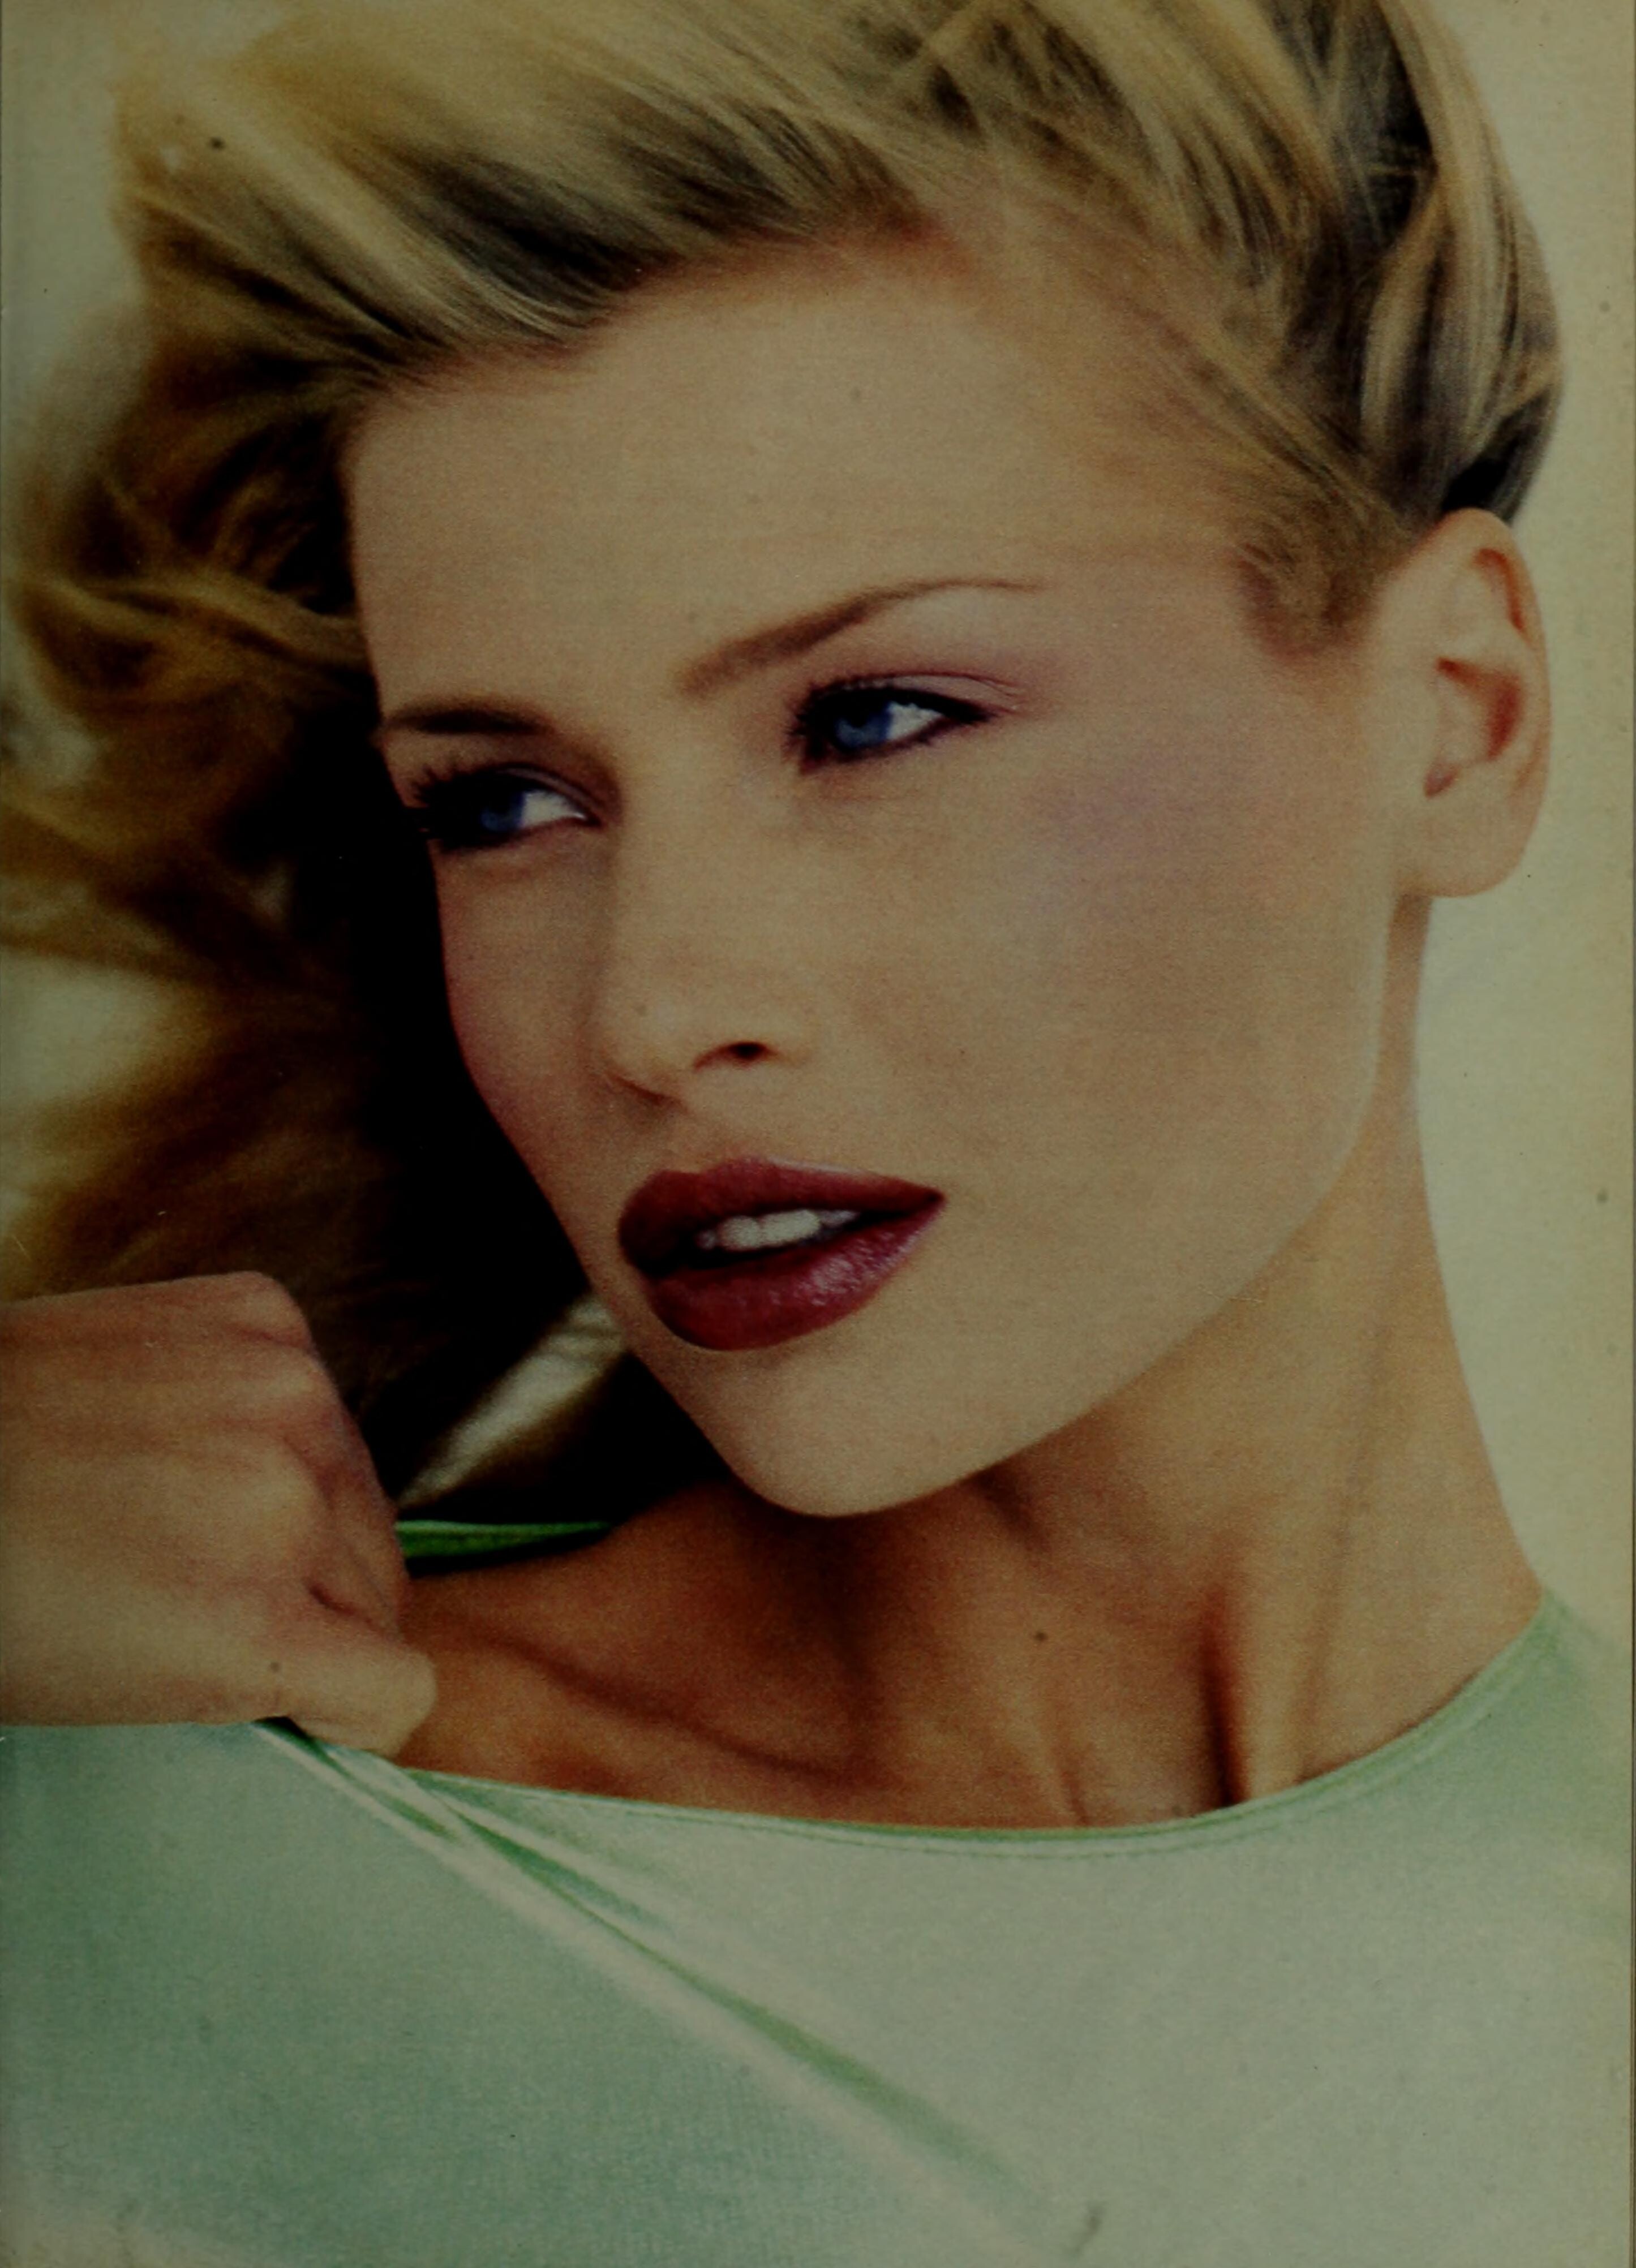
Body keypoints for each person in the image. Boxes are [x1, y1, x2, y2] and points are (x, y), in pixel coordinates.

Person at [0, 1, 1626, 2262]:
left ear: (1456, 717)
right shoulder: (150, 1811)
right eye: (505, 803)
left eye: (873, 717)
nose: (654, 1014)